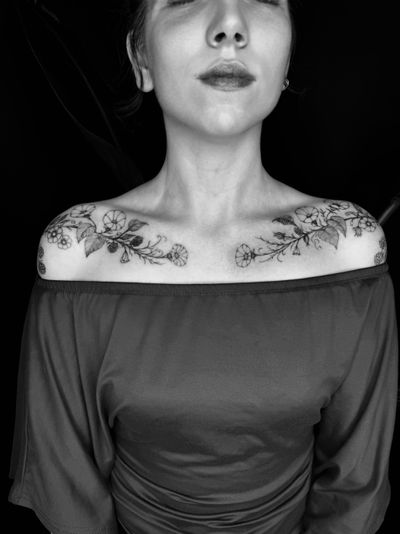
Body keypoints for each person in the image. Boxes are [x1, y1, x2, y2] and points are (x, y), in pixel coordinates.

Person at [8, 1, 398, 533]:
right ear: (141, 59)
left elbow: (354, 490)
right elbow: (65, 489)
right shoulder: (77, 251)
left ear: (287, 59)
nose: (230, 26)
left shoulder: (350, 247)